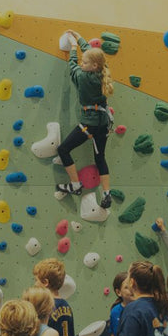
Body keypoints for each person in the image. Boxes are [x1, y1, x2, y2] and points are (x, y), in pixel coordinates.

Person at [54, 29, 115, 210]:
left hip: (88, 124)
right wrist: (80, 39)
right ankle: (106, 193)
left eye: (85, 62)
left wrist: (73, 47)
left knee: (63, 149)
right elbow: (91, 54)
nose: (82, 62)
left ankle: (75, 184)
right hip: (102, 124)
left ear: (93, 65)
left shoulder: (82, 77)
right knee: (100, 158)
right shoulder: (102, 71)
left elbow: (72, 65)